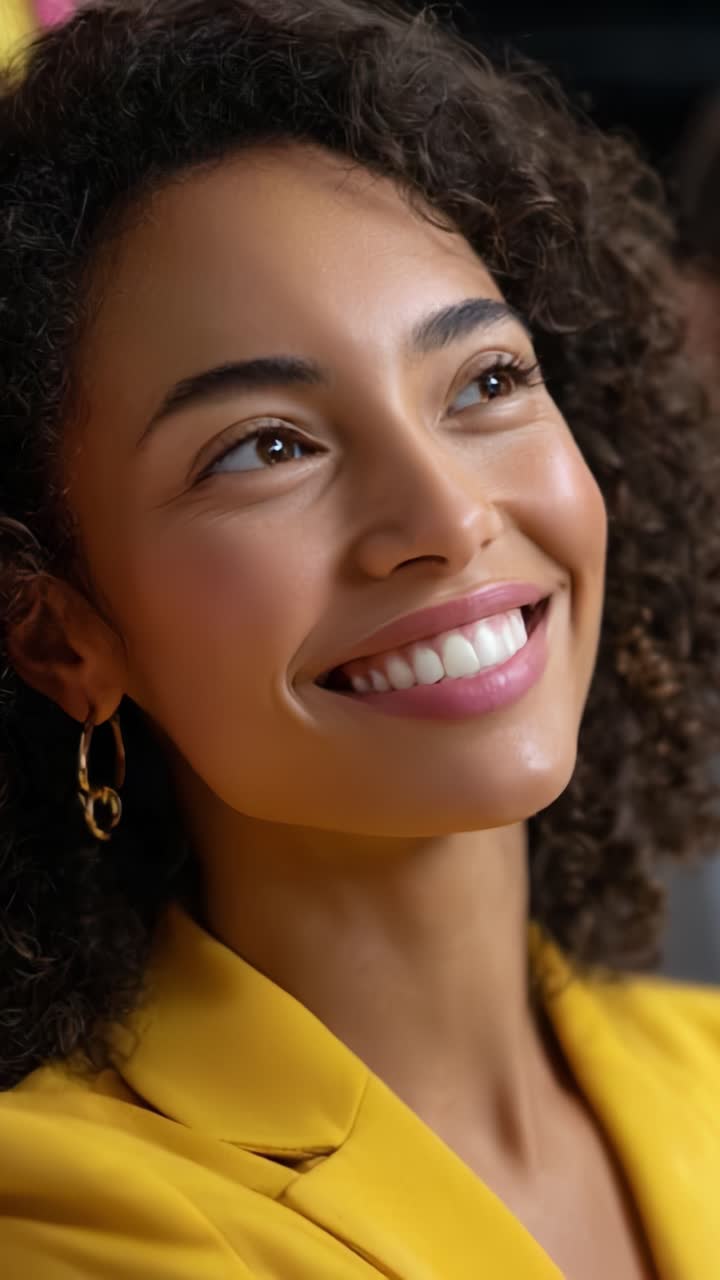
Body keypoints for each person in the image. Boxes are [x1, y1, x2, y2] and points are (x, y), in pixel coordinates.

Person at [1, 2, 719, 1277]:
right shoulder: (62, 1208)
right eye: (266, 447)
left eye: (487, 381)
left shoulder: (704, 1062)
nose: (446, 517)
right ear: (63, 638)